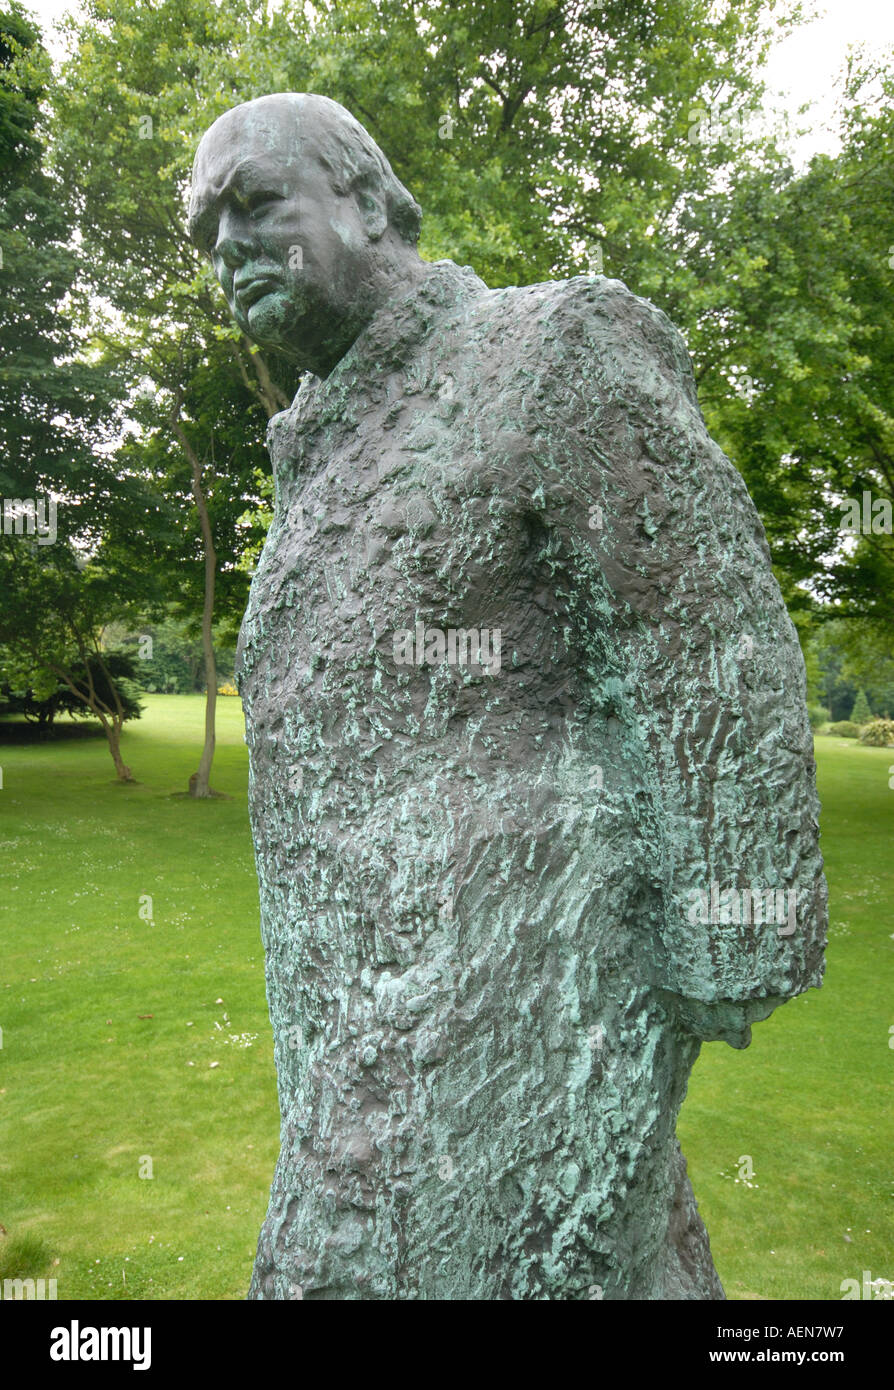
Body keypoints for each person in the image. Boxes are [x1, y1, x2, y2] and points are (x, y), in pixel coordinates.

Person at [188, 93, 826, 1300]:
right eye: (203, 227)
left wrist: (728, 948)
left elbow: (710, 639)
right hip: (348, 1027)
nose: (224, 244)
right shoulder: (314, 450)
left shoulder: (547, 350)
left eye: (254, 201)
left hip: (534, 1002)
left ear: (369, 201)